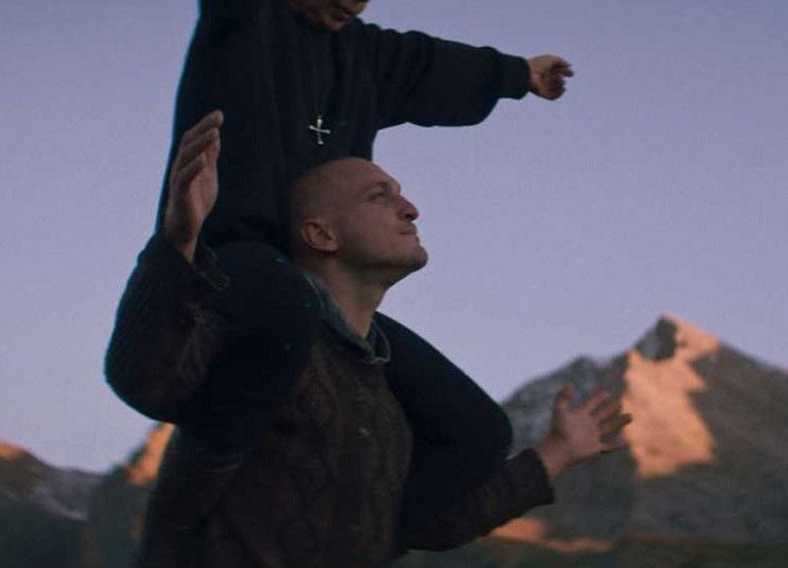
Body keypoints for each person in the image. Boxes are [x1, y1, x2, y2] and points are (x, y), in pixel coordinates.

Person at [111, 0, 574, 502]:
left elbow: (433, 65)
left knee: (476, 430)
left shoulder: (364, 58)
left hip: (328, 291)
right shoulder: (244, 16)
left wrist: (519, 74)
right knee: (288, 305)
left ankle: (374, 532)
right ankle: (201, 479)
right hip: (235, 262)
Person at [127, 112, 631, 566]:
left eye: (400, 194)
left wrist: (557, 453)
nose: (410, 209)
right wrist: (178, 244)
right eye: (379, 196)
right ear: (321, 235)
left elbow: (426, 526)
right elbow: (150, 376)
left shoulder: (391, 403)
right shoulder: (261, 345)